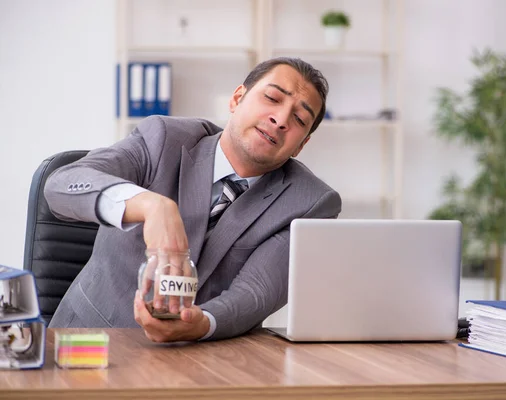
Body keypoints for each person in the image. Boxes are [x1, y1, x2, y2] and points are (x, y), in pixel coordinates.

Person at [44, 57, 342, 342]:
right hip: (89, 341)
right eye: (272, 99)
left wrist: (201, 324)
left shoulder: (311, 201)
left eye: (300, 119)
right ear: (237, 98)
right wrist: (150, 205)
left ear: (301, 145)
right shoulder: (163, 139)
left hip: (205, 360)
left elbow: (257, 291)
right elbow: (62, 184)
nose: (280, 120)